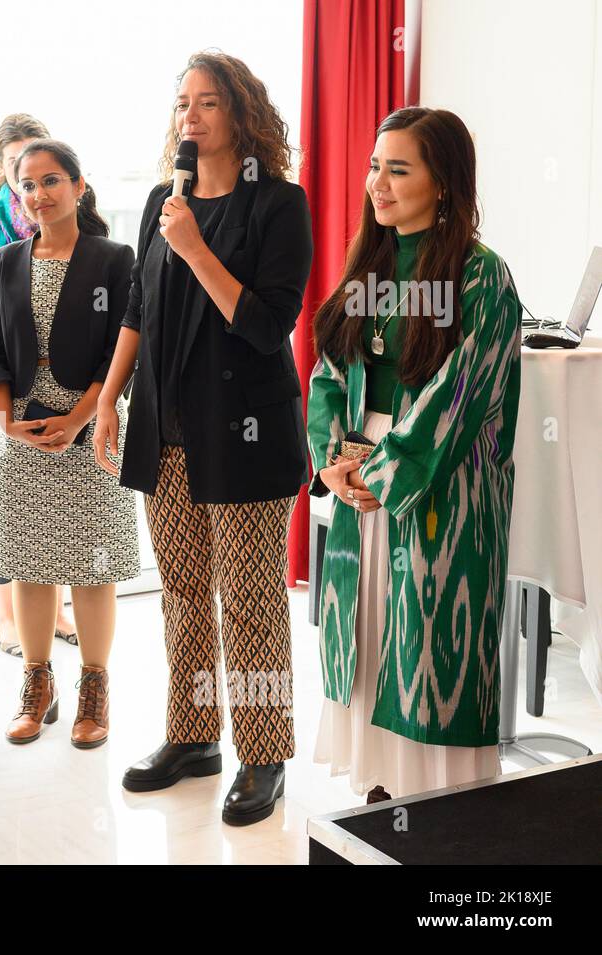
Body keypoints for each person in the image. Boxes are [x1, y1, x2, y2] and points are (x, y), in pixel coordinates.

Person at [94, 52, 313, 825]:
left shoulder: (278, 206)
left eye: (209, 102)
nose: (191, 115)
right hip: (167, 429)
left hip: (247, 435)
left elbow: (266, 324)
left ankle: (263, 753)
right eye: (183, 102)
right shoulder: (166, 197)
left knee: (250, 600)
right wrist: (110, 398)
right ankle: (194, 737)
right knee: (183, 594)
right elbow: (137, 306)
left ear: (243, 115)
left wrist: (194, 247)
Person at [307, 106, 519, 802]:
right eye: (375, 165)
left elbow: (458, 398)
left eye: (399, 169)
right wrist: (335, 462)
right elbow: (328, 370)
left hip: (441, 493)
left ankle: (440, 807)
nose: (378, 183)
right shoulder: (370, 264)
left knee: (429, 645)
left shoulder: (482, 276)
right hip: (360, 483)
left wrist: (381, 471)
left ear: (446, 182)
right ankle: (380, 790)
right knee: (372, 641)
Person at [0, 139, 139, 748]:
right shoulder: (3, 263)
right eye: (27, 185)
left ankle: (94, 690)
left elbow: (120, 349)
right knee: (27, 561)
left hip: (91, 425)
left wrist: (79, 416)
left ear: (77, 185)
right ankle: (36, 685)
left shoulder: (114, 259)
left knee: (93, 567)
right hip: (18, 429)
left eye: (51, 181)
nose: (39, 195)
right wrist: (4, 418)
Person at [0, 113, 79, 656]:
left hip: (63, 378)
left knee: (61, 495)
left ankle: (53, 610)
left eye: (41, 166)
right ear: (4, 171)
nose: (31, 179)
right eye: (17, 167)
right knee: (2, 495)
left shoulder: (81, 224)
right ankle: (7, 615)